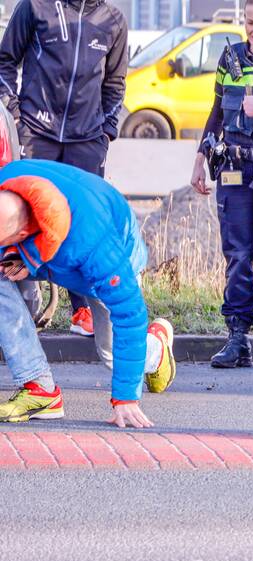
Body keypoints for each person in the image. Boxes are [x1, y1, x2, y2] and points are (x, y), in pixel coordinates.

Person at [0, 160, 175, 428]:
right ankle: (40, 388)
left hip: (105, 260)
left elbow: (129, 312)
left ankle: (157, 351)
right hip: (48, 247)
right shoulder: (7, 186)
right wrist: (21, 255)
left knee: (110, 353)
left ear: (22, 234)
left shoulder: (94, 241)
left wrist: (126, 398)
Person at [0, 0, 129, 339]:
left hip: (87, 139)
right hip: (35, 131)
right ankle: (23, 310)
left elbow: (115, 83)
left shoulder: (113, 20)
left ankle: (82, 309)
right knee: (25, 219)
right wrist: (15, 116)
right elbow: (5, 61)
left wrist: (105, 132)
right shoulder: (34, 6)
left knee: (84, 225)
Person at [191, 0, 253, 371]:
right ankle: (237, 336)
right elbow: (216, 111)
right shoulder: (229, 58)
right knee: (237, 256)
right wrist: (200, 158)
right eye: (250, 22)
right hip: (233, 169)